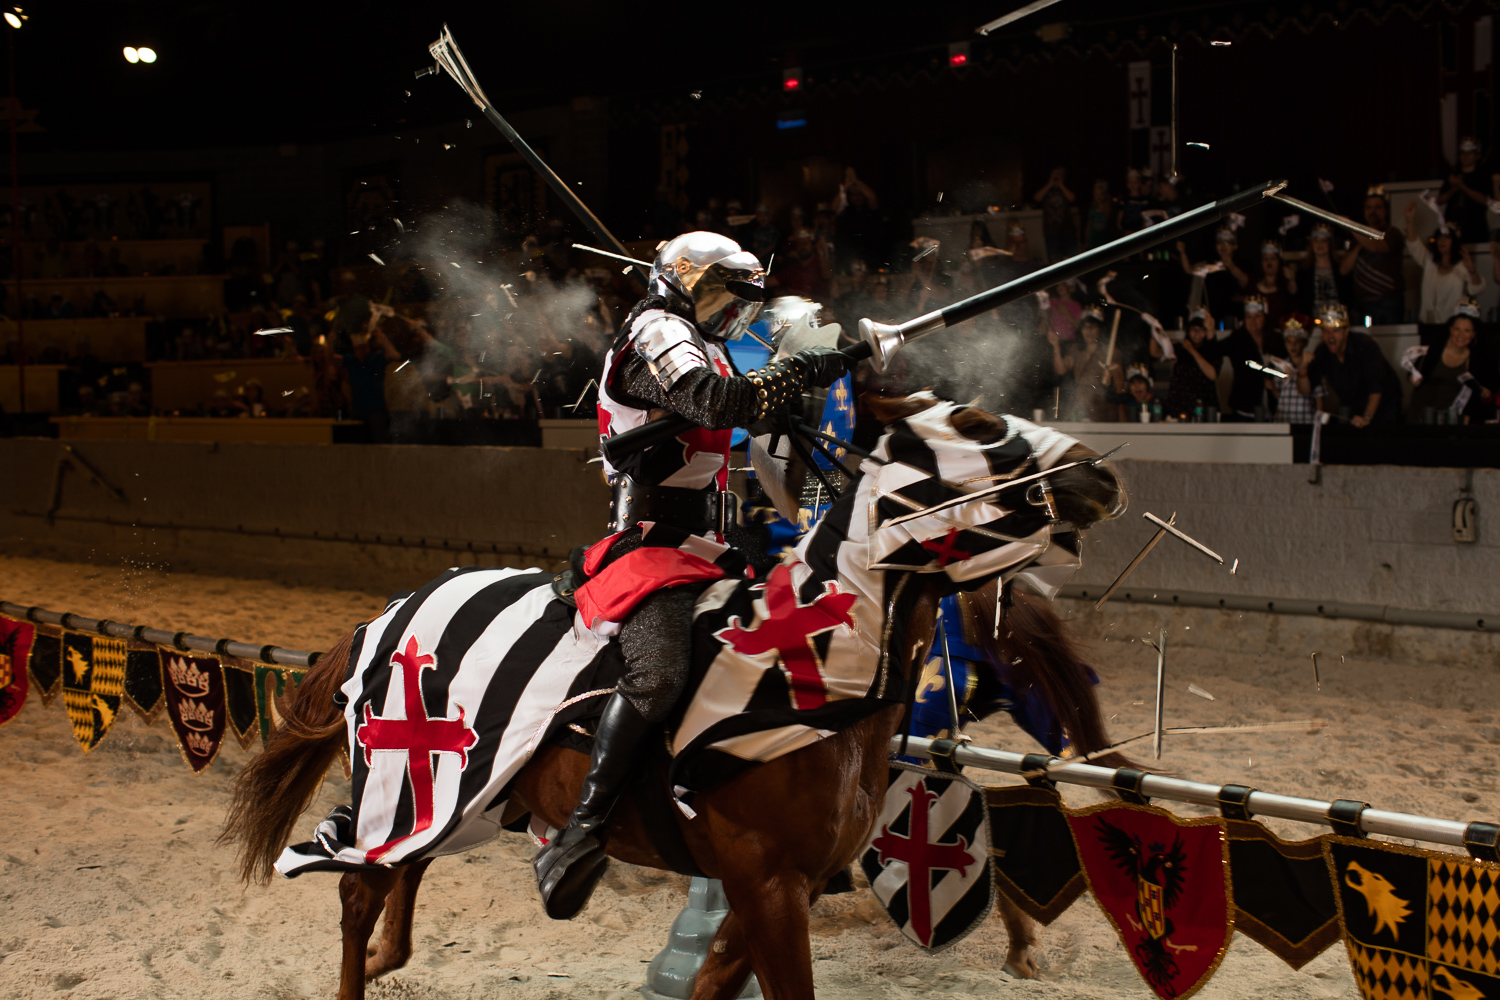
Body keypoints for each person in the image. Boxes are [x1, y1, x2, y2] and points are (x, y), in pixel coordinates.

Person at [534, 232, 850, 920]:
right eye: (716, 294)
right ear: (680, 282)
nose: (726, 313)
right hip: (648, 541)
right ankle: (581, 829)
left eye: (733, 302)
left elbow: (747, 403)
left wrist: (817, 372)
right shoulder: (654, 329)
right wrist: (803, 370)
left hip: (710, 539)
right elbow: (717, 402)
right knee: (660, 671)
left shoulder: (696, 338)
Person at [1299, 304, 1401, 426]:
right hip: (1355, 408)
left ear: (1346, 331)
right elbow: (1305, 390)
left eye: (1335, 331)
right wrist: (1302, 369)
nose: (1330, 336)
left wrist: (1367, 418)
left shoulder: (1365, 345)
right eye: (1326, 331)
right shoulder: (1322, 352)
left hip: (1385, 406)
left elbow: (1377, 387)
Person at [1402, 302, 1496, 423]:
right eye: (1457, 329)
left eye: (1467, 330)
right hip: (1423, 415)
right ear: (1450, 329)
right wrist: (1413, 377)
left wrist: (1484, 392)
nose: (1461, 335)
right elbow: (1413, 373)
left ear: (1474, 334)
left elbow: (1480, 394)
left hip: (1453, 419)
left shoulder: (1478, 360)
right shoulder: (1433, 351)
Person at [1405, 202, 1486, 323]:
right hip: (1429, 323)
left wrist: (1472, 271)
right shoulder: (1430, 262)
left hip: (1453, 323)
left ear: (1454, 241)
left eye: (1447, 238)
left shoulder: (1462, 266)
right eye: (1440, 237)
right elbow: (1414, 244)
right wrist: (1410, 221)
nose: (1442, 241)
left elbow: (1476, 288)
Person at [1340, 187, 1406, 325]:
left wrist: (1351, 226)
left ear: (1385, 211)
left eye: (1377, 207)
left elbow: (1376, 246)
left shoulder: (1392, 233)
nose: (1372, 211)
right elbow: (1344, 269)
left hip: (1388, 302)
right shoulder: (1357, 238)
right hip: (1362, 303)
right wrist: (1358, 244)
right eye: (1368, 208)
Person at [1048, 305, 1123, 420]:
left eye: (1093, 327)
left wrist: (1113, 371)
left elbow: (1120, 384)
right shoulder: (1076, 350)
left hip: (1102, 402)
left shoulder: (1110, 351)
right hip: (1080, 403)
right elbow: (1061, 369)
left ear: (1100, 329)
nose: (1089, 331)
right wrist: (1056, 346)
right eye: (1085, 327)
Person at [1218, 296, 1284, 420]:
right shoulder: (1237, 339)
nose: (1253, 321)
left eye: (1257, 316)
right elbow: (1215, 350)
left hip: (1274, 405)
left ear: (1265, 317)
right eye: (1249, 317)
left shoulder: (1277, 339)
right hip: (1244, 405)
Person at [1225, 240, 1296, 329]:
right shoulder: (1253, 282)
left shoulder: (1285, 284)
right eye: (1265, 259)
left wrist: (1292, 279)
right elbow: (1237, 274)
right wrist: (1228, 259)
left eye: (1273, 258)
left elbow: (1293, 291)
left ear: (1279, 261)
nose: (1269, 262)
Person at [1164, 311, 1223, 418]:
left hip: (1204, 407)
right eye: (1194, 329)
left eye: (1201, 330)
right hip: (1179, 406)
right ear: (1188, 330)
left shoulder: (1212, 349)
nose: (1197, 333)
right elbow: (1155, 352)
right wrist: (1155, 329)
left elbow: (1212, 374)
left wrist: (1192, 350)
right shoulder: (1180, 348)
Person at [1438, 137, 1491, 247]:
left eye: (1470, 153)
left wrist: (1462, 186)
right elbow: (1439, 200)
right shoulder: (1453, 175)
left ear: (1477, 156)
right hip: (1452, 228)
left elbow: (1485, 200)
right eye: (1463, 152)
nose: (1465, 156)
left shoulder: (1482, 176)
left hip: (1475, 229)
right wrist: (1453, 189)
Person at [1269, 317, 1323, 424]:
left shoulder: (1312, 366)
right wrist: (1272, 388)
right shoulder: (1281, 365)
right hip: (1284, 419)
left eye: (1297, 342)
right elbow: (1280, 395)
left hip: (1306, 420)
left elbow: (1319, 398)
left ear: (1304, 343)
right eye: (1289, 342)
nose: (1292, 346)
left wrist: (1319, 422)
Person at [1296, 224, 1353, 316]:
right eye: (1316, 241)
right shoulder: (1304, 270)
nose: (1320, 244)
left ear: (1329, 243)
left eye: (1323, 241)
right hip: (1313, 321)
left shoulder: (1340, 268)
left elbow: (1348, 296)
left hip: (1337, 320)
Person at [1034, 167, 1077, 261]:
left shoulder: (1065, 188)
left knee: (1071, 260)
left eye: (1059, 175)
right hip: (1051, 232)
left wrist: (1061, 184)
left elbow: (1072, 198)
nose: (1056, 177)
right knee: (1054, 260)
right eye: (1054, 175)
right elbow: (1037, 198)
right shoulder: (1047, 189)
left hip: (1068, 231)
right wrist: (1050, 183)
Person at [1083, 179, 1119, 249]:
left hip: (1104, 240)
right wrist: (1086, 241)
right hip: (1093, 239)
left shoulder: (1109, 209)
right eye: (1096, 194)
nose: (1098, 196)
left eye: (1101, 194)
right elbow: (1089, 226)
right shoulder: (1093, 210)